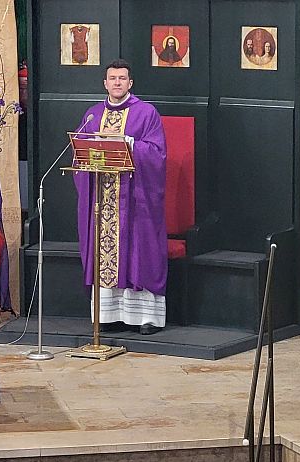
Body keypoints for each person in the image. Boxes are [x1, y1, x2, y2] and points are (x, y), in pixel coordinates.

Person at [72, 59, 168, 335]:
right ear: (105, 83)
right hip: (103, 200)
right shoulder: (93, 115)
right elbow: (79, 154)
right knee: (104, 251)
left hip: (137, 200)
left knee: (140, 251)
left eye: (122, 78)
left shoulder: (146, 113)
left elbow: (157, 154)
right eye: (112, 78)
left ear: (130, 83)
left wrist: (130, 144)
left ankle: (146, 318)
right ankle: (107, 314)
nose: (117, 82)